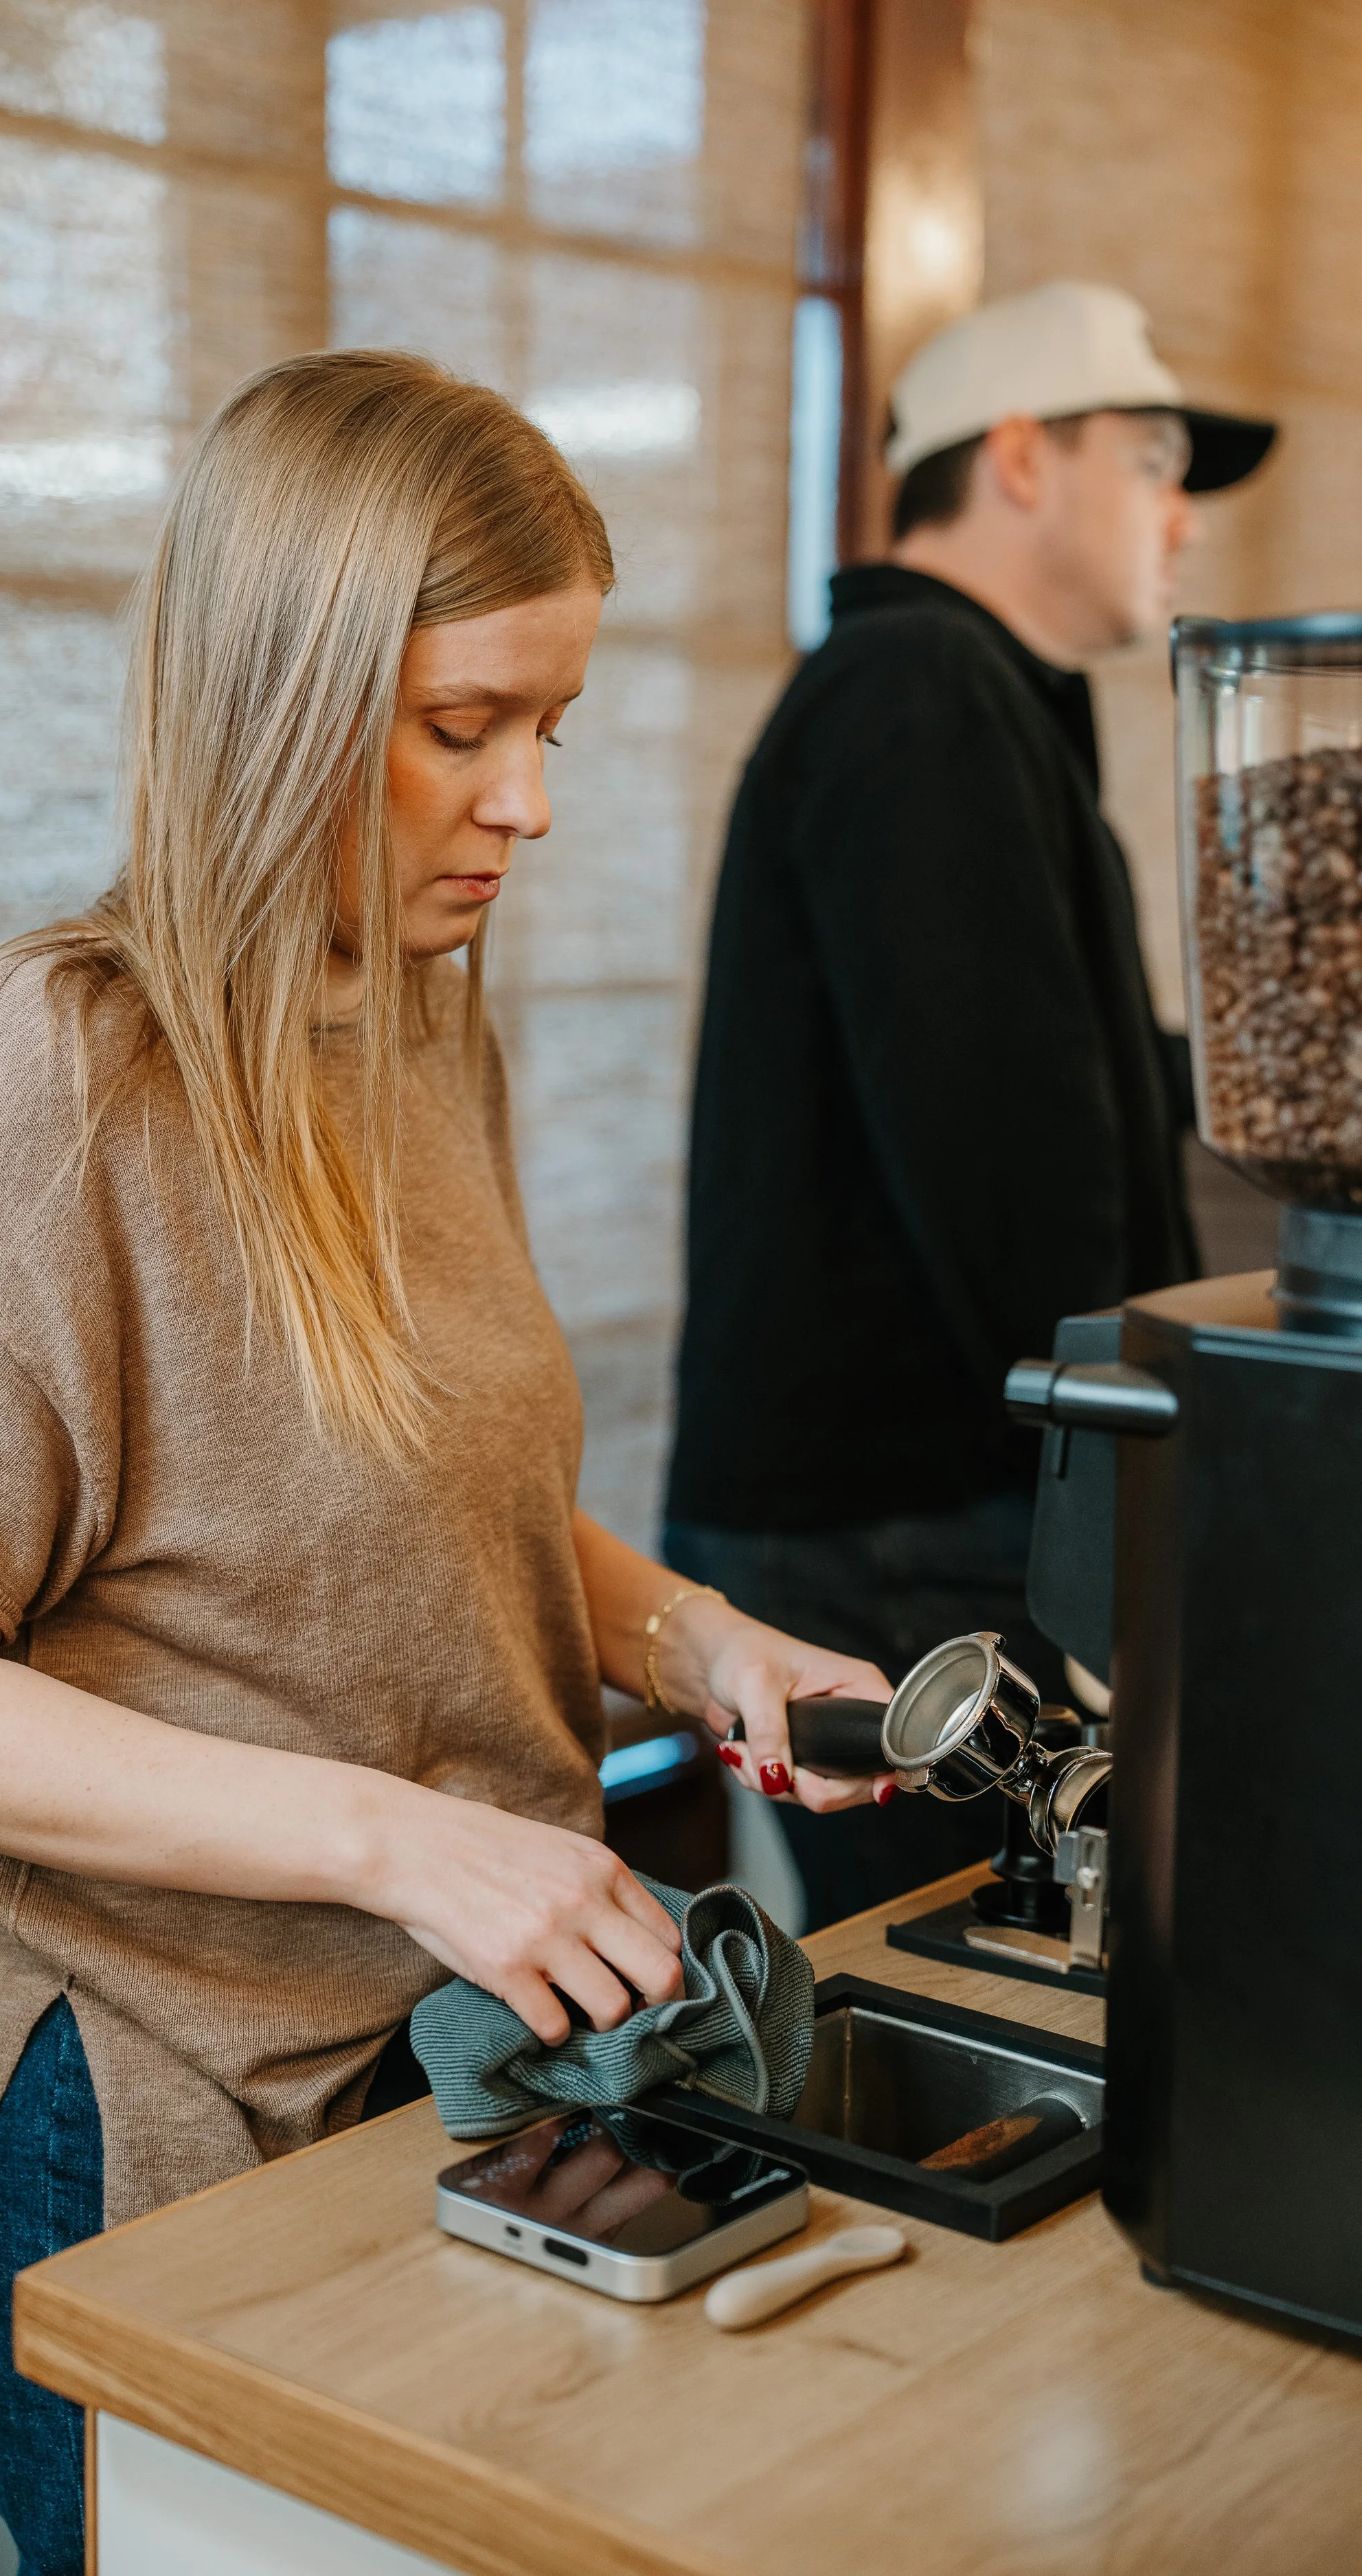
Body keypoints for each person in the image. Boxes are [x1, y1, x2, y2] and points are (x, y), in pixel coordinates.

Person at [0, 352, 892, 2576]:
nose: (527, 802)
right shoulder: (51, 1072)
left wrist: (699, 1642)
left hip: (437, 2072)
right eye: (463, 725)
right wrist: (411, 1842)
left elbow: (407, 1497)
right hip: (134, 2111)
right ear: (278, 694)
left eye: (550, 727)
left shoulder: (417, 1017)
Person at [665, 282, 1277, 1932]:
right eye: (1151, 461)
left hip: (910, 1514)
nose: (1181, 520)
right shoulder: (915, 690)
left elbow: (1060, 1063)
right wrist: (1155, 1481)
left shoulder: (960, 691)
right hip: (894, 1532)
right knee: (1012, 1988)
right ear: (1017, 458)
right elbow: (1013, 1166)